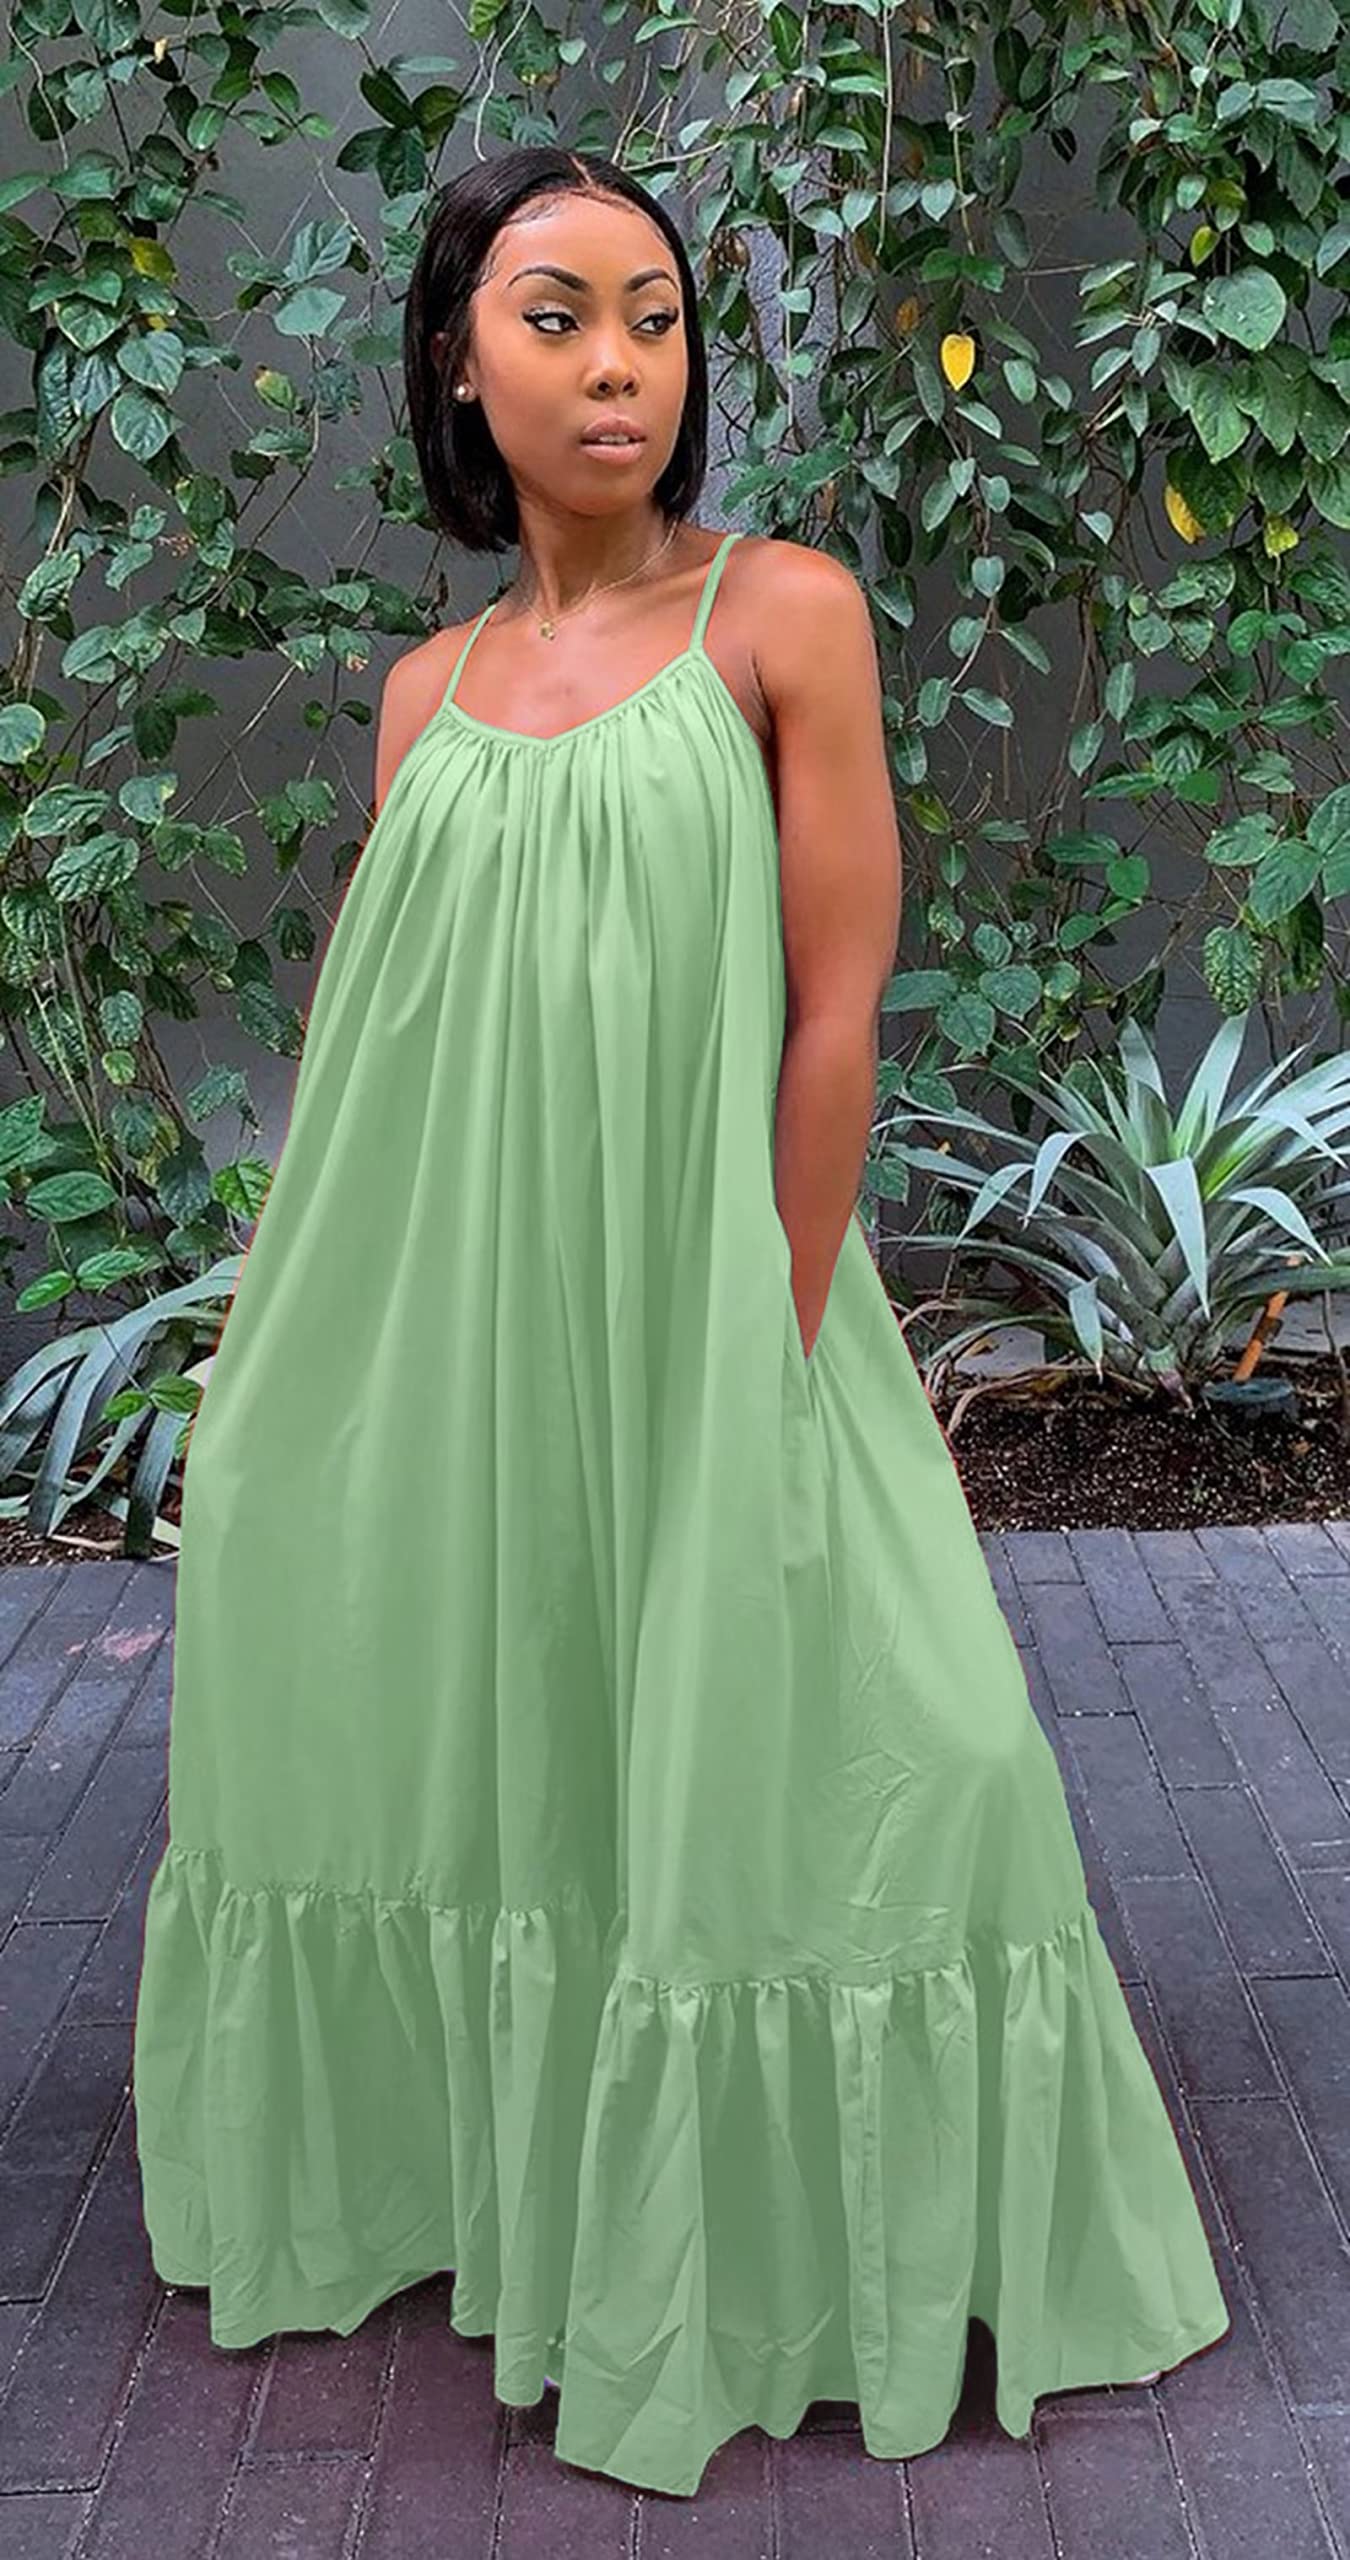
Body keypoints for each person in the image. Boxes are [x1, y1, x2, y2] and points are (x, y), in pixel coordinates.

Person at [131, 142, 1231, 2501]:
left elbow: (838, 1006)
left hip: (729, 1300)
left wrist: (778, 1324)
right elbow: (383, 1056)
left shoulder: (779, 616)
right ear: (458, 362)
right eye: (556, 317)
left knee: (906, 1743)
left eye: (653, 313)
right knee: (512, 1726)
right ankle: (496, 2175)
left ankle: (835, 2221)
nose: (617, 362)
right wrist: (279, 1355)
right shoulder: (426, 697)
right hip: (470, 1326)